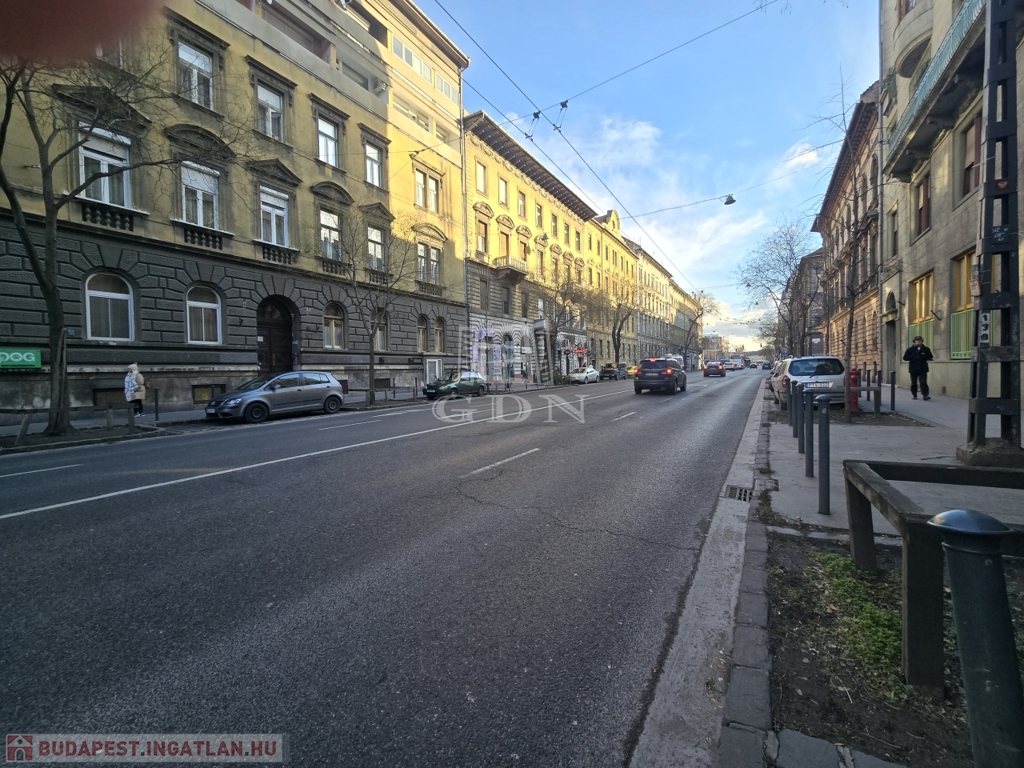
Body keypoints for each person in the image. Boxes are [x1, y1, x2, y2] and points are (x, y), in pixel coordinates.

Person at [902, 335, 934, 400]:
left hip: (923, 368)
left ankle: (925, 395)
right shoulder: (910, 349)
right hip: (913, 368)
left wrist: (924, 356)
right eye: (917, 340)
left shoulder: (926, 349)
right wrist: (912, 356)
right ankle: (914, 395)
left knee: (923, 382)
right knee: (914, 383)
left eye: (920, 340)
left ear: (922, 341)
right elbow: (905, 358)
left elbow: (930, 357)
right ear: (914, 341)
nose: (918, 342)